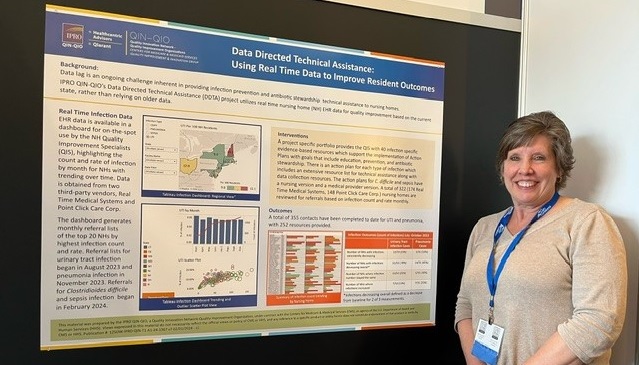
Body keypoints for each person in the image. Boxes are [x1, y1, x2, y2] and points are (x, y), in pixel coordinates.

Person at [454, 111, 627, 365]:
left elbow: (598, 322)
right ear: (503, 168)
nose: (525, 169)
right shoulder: (485, 227)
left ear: (559, 168)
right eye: (514, 158)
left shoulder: (587, 222)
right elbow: (466, 304)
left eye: (538, 157)